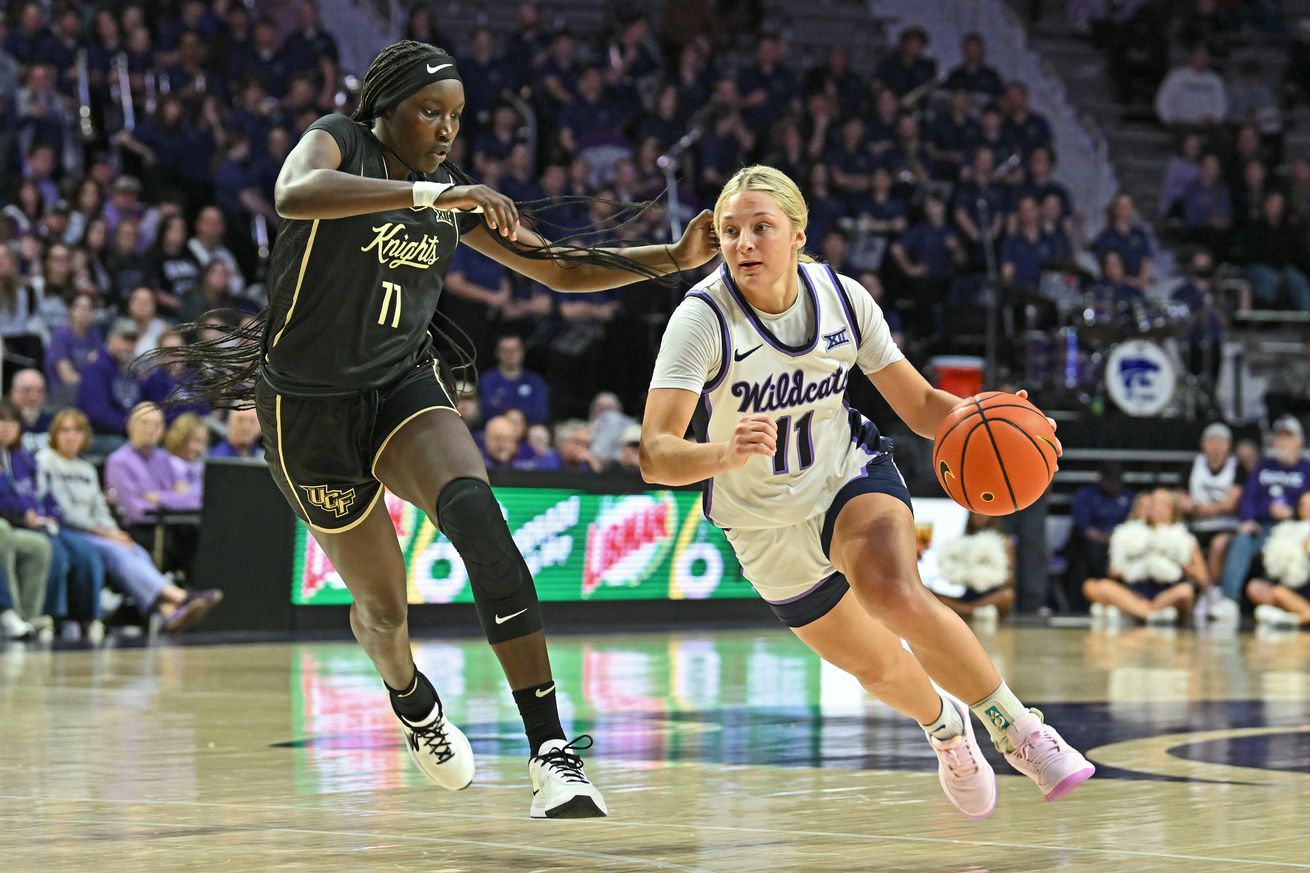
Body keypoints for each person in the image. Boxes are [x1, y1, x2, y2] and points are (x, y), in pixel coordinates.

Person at [145, 41, 717, 818]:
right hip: (307, 411)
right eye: (430, 112)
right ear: (386, 108)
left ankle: (551, 751)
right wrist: (426, 196)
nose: (446, 129)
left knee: (480, 516)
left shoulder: (451, 194)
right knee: (383, 611)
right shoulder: (341, 141)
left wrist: (672, 258)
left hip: (399, 388)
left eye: (456, 117)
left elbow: (558, 267)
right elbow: (293, 191)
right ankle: (413, 701)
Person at [640, 165, 1093, 820]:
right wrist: (722, 450)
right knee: (879, 669)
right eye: (731, 230)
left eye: (760, 228)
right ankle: (947, 729)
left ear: (797, 235)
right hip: (762, 524)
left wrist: (1003, 420)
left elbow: (921, 405)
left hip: (844, 473)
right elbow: (655, 454)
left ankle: (1019, 729)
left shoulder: (844, 300)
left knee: (893, 591)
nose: (743, 243)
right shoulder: (701, 319)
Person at [37, 408, 221, 633]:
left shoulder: (86, 468)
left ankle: (169, 613)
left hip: (101, 531)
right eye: (65, 430)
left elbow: (193, 497)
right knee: (118, 550)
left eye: (77, 431)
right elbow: (64, 510)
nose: (71, 436)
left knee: (134, 550)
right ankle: (180, 596)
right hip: (71, 531)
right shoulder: (47, 461)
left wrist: (117, 531)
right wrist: (108, 534)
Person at [0, 400, 105, 642]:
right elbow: (7, 499)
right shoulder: (42, 458)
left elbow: (45, 495)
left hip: (37, 524)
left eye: (12, 421)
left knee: (77, 550)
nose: (7, 427)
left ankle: (37, 616)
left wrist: (49, 515)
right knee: (50, 548)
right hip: (14, 523)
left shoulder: (23, 458)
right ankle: (37, 613)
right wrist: (23, 516)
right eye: (2, 421)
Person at [1217, 416, 1310, 607]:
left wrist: (1292, 512)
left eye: (1288, 437)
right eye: (1279, 437)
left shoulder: (1306, 469)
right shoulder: (1263, 467)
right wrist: (1251, 517)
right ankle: (1229, 600)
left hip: (1295, 528)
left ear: (1299, 441)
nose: (1282, 442)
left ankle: (1291, 601)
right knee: (1243, 538)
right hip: (1264, 526)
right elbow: (1249, 497)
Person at [104, 403, 202, 582]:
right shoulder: (119, 462)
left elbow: (194, 499)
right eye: (144, 423)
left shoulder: (164, 458)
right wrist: (175, 498)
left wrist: (159, 497)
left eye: (156, 424)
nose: (150, 429)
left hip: (173, 527)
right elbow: (138, 511)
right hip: (142, 531)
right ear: (130, 425)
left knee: (202, 534)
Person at [1084, 489, 1206, 625]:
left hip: (1167, 593)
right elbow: (1113, 572)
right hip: (1135, 591)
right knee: (1098, 586)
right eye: (1153, 502)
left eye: (1163, 504)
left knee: (1185, 592)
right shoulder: (1128, 534)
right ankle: (1148, 613)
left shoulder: (1184, 538)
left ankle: (1139, 612)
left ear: (1173, 509)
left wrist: (1179, 561)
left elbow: (1203, 580)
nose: (1157, 508)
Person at [1179, 422, 1241, 619]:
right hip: (1195, 526)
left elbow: (1232, 503)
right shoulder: (1191, 465)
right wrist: (1210, 508)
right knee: (1185, 545)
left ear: (1228, 446)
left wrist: (1202, 508)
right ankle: (1206, 590)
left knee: (1219, 544)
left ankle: (1210, 593)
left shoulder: (1237, 467)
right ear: (1203, 444)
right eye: (1211, 441)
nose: (1215, 446)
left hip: (1225, 526)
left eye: (1220, 441)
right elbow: (1181, 500)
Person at [1247, 490, 1310, 628]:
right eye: (1303, 504)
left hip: (1305, 587)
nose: (1307, 508)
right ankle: (1295, 615)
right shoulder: (1285, 529)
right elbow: (1272, 567)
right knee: (1256, 587)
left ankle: (1294, 619)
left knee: (1278, 592)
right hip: (1290, 588)